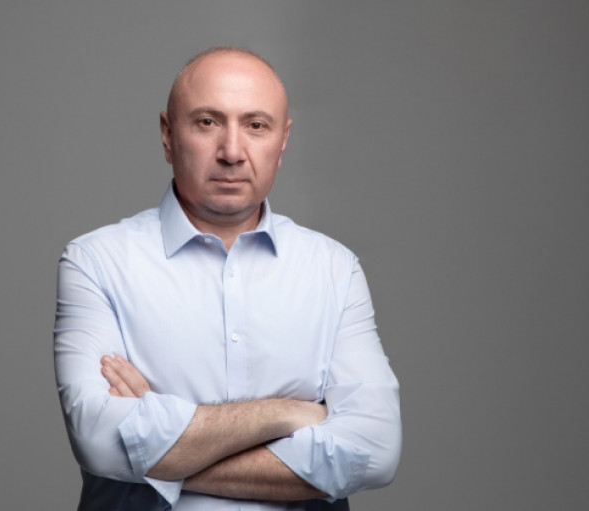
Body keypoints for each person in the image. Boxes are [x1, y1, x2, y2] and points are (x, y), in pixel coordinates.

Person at [54, 47, 401, 511]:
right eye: (207, 122)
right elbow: (99, 442)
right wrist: (289, 414)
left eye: (255, 125)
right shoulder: (96, 261)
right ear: (167, 135)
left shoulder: (334, 268)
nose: (232, 152)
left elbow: (375, 453)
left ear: (283, 141)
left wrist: (155, 450)